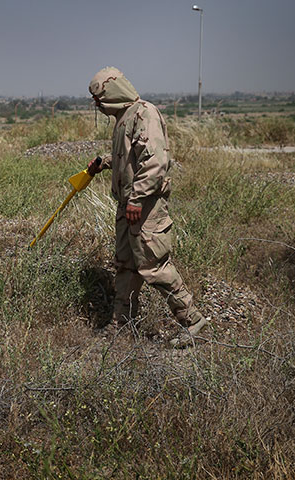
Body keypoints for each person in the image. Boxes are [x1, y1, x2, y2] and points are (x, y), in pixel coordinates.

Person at [86, 66, 207, 348]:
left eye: (99, 97)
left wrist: (137, 198)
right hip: (129, 206)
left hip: (145, 207)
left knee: (153, 266)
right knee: (125, 266)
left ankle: (192, 320)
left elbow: (154, 162)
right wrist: (104, 162)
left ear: (112, 93)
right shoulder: (124, 118)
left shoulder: (144, 113)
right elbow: (129, 155)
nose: (97, 104)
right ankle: (121, 324)